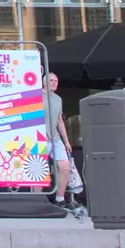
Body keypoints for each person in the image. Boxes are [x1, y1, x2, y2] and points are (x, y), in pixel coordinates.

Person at [46, 72, 74, 209]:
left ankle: (60, 198)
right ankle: (37, 200)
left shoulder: (58, 99)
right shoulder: (37, 96)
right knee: (39, 170)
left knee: (65, 167)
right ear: (44, 82)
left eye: (56, 81)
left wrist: (66, 141)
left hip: (55, 138)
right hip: (40, 138)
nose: (53, 83)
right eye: (51, 80)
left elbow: (59, 121)